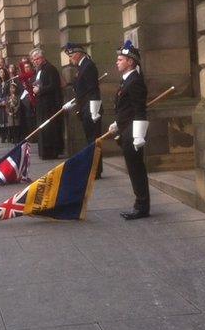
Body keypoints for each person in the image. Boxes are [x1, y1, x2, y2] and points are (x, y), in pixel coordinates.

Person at [109, 40, 150, 220]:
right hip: (125, 128)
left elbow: (140, 110)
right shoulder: (127, 80)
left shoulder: (135, 82)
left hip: (133, 132)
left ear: (130, 62)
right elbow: (125, 108)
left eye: (120, 59)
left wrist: (139, 135)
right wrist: (117, 123)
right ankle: (139, 203)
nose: (117, 62)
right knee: (133, 169)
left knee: (136, 169)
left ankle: (142, 206)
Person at [62, 42, 103, 178]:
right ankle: (93, 168)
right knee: (90, 139)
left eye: (72, 55)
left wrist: (94, 110)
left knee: (94, 140)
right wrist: (73, 103)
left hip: (91, 108)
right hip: (85, 107)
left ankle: (96, 170)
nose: (71, 58)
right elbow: (81, 91)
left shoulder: (88, 66)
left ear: (79, 53)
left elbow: (93, 90)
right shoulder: (81, 66)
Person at [30, 48, 64, 159]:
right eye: (33, 60)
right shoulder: (39, 70)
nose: (35, 61)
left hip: (50, 104)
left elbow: (54, 85)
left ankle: (51, 152)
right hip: (41, 104)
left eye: (37, 59)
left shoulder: (50, 69)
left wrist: (40, 90)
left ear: (42, 58)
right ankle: (44, 152)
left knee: (50, 129)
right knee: (43, 128)